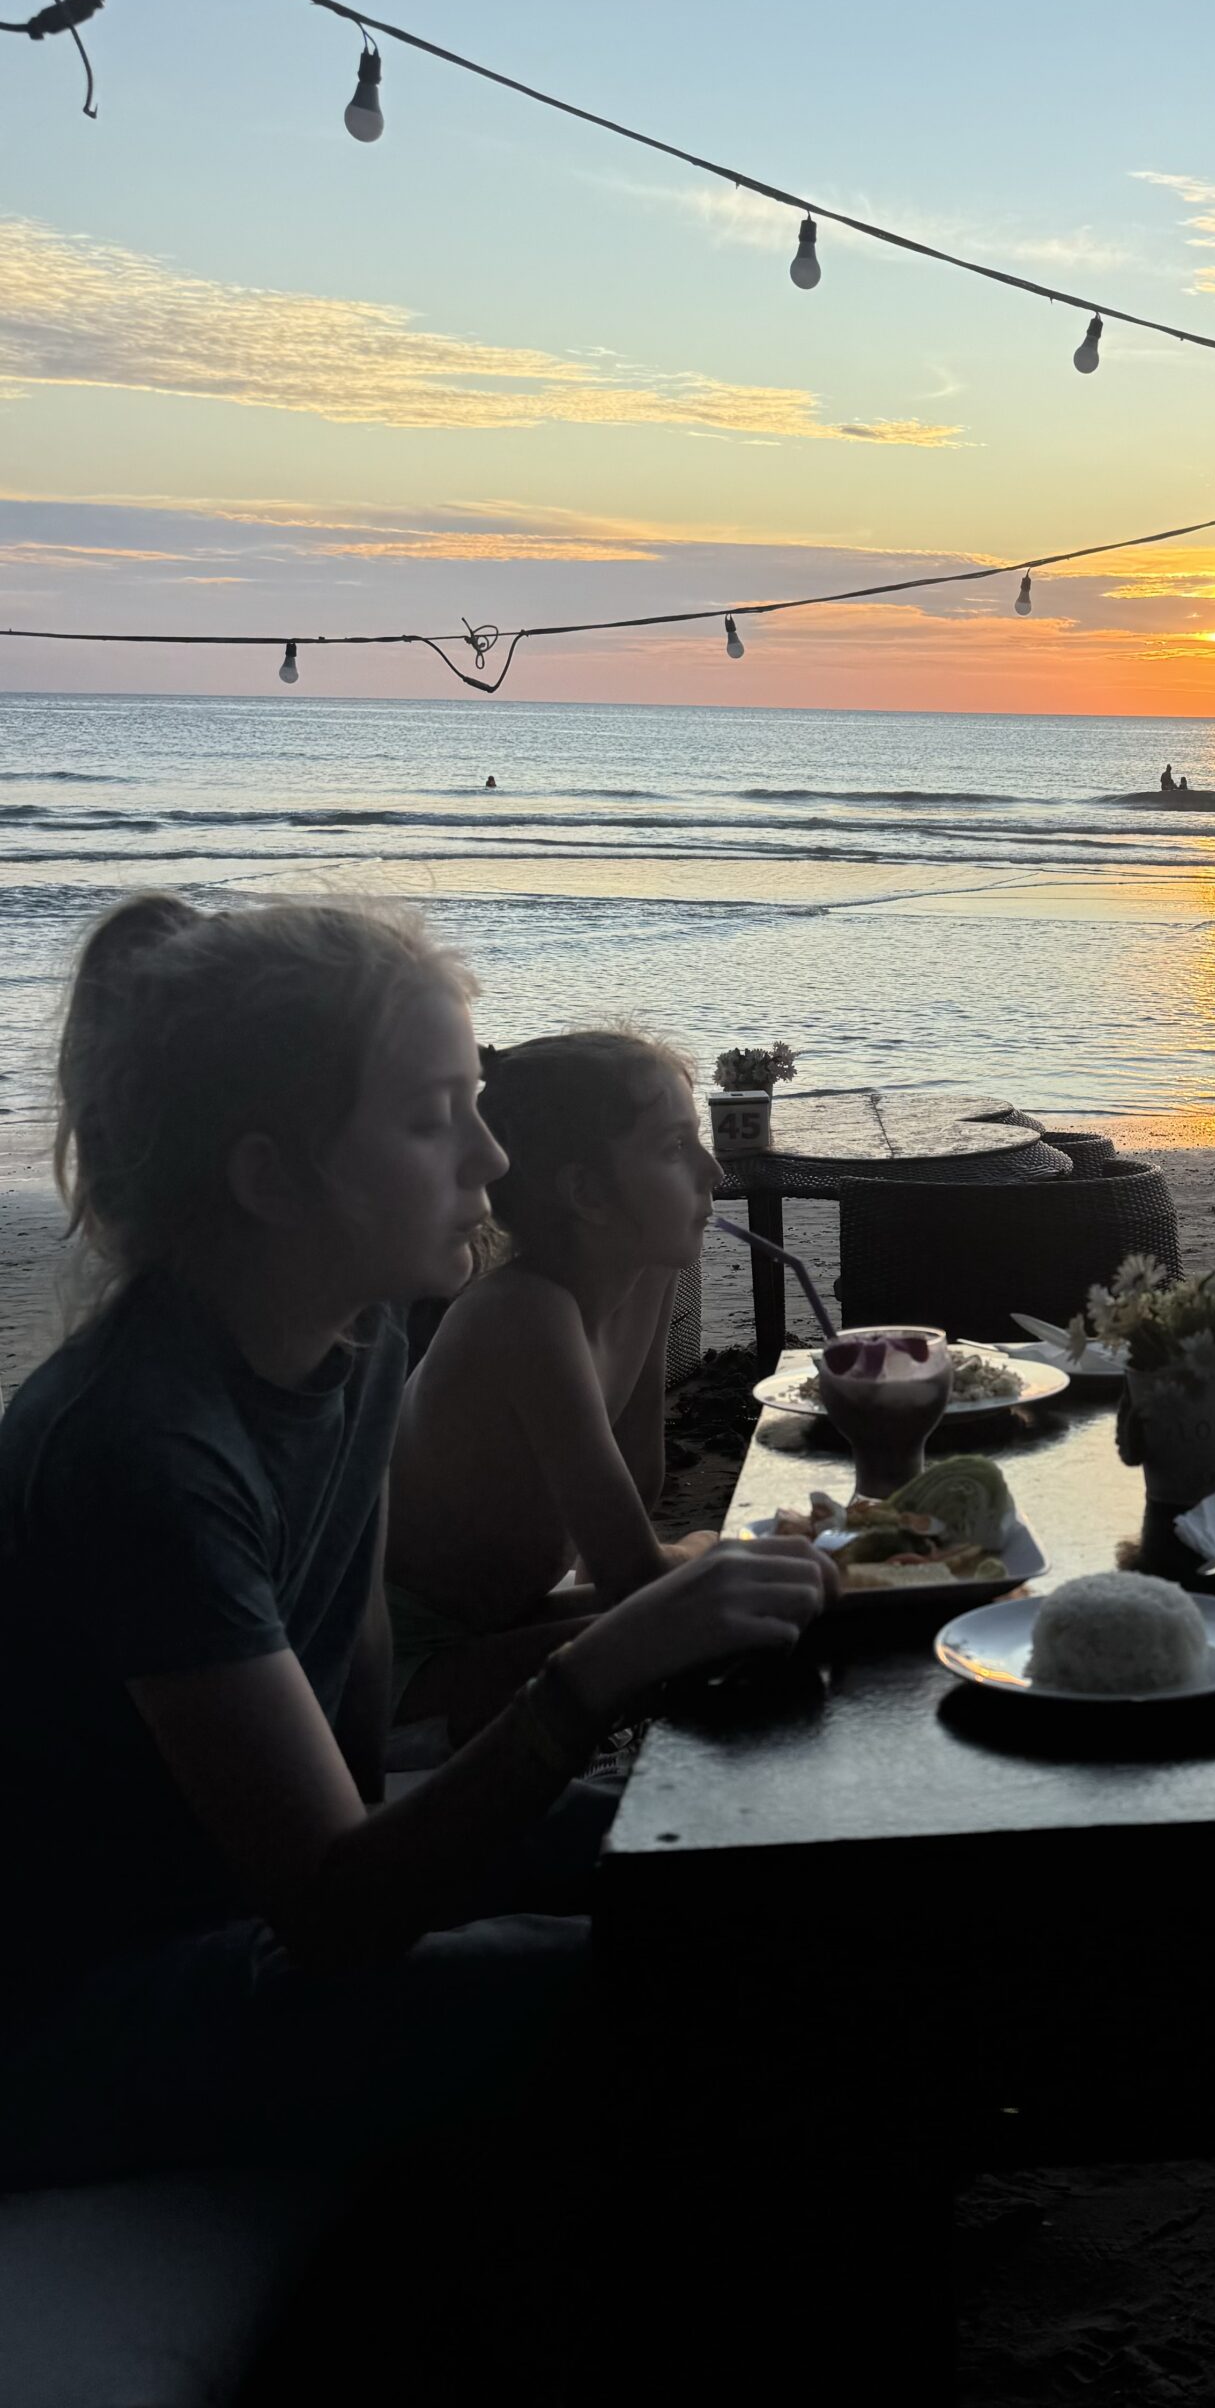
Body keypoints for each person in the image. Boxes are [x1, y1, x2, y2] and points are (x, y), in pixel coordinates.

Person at [0, 895, 835, 2201]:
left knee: (762, 1855)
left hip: (263, 1901)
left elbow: (354, 1754)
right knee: (706, 1970)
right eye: (432, 1118)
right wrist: (599, 1665)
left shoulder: (359, 1337)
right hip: (87, 2017)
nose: (492, 1158)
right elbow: (331, 1909)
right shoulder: (141, 1452)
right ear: (272, 1180)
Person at [385, 1031, 715, 1741]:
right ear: (587, 1193)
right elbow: (632, 1574)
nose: (712, 1170)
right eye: (675, 1148)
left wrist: (675, 1578)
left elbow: (639, 1483)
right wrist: (709, 1549)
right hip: (405, 1662)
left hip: (511, 1617)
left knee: (729, 1611)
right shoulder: (521, 1313)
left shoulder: (651, 1271)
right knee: (723, 1620)